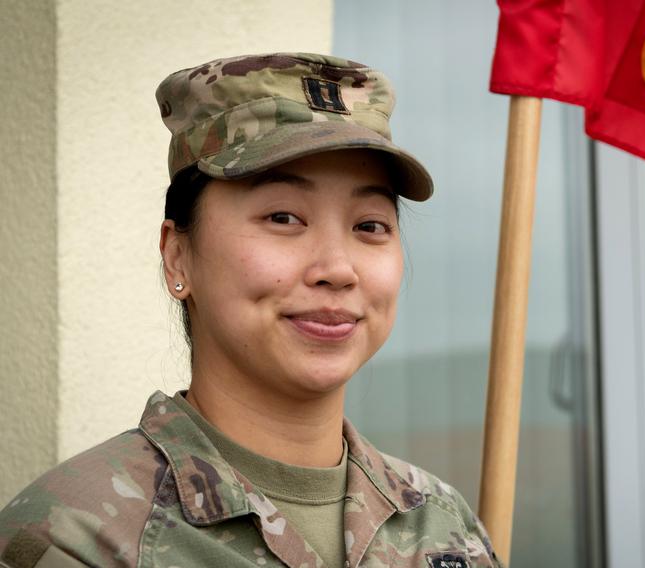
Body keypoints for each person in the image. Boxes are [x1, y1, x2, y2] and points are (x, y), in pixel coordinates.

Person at [0, 53, 501, 568]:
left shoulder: (443, 526)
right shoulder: (78, 536)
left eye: (369, 225)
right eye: (283, 216)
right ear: (178, 255)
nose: (337, 268)